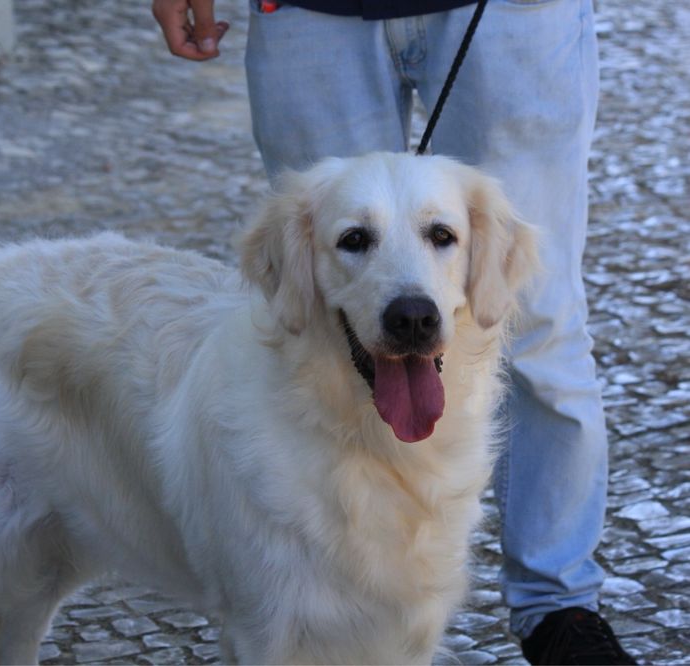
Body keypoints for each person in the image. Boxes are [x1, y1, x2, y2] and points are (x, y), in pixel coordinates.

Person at [151, 1, 637, 664]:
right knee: (318, 318)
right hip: (306, 11)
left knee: (535, 322)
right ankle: (331, 598)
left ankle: (559, 608)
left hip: (506, 13)